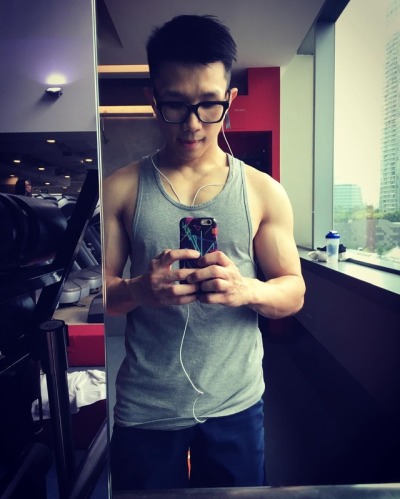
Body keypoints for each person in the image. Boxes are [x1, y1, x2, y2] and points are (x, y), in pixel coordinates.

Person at [104, 14, 305, 491]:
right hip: (147, 407)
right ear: (153, 99)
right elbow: (103, 296)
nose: (192, 124)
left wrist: (246, 290)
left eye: (209, 105)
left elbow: (293, 292)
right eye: (176, 104)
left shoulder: (263, 191)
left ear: (229, 100)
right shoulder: (120, 189)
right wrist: (141, 289)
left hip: (235, 403)